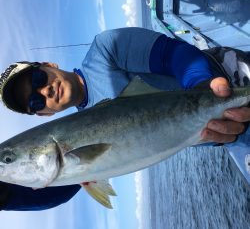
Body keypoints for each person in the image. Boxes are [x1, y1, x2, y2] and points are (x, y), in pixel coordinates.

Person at [0, 27, 249, 211]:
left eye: (37, 80)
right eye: (36, 102)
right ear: (45, 114)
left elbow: (171, 54)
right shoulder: (74, 148)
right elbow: (55, 194)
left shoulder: (104, 50)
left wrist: (203, 87)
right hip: (232, 131)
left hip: (231, 76)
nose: (45, 91)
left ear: (47, 64)